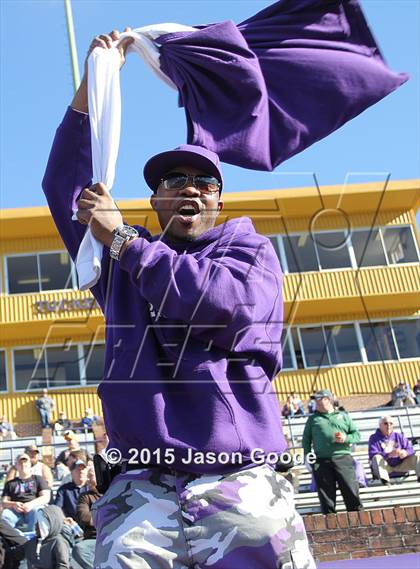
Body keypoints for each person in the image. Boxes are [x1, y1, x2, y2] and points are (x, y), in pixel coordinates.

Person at [41, 28, 315, 569]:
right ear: (155, 198)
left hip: (239, 477)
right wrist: (94, 83)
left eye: (203, 181)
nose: (189, 187)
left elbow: (222, 305)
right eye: (173, 180)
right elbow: (65, 187)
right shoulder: (120, 258)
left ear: (219, 198)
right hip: (142, 485)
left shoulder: (248, 249)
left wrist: (122, 239)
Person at [302, 389, 363, 515]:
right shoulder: (313, 419)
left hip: (343, 458)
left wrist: (346, 438)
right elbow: (306, 440)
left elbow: (357, 435)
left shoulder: (344, 416)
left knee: (351, 491)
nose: (316, 402)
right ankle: (330, 525)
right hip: (321, 460)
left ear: (328, 399)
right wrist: (307, 456)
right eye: (315, 399)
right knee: (326, 497)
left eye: (319, 398)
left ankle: (358, 520)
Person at [1, 453, 50, 532]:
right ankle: (11, 540)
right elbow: (3, 502)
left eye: (25, 462)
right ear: (16, 466)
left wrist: (31, 504)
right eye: (20, 463)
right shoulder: (10, 483)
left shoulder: (38, 479)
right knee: (6, 515)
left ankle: (34, 540)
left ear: (30, 464)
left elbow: (46, 497)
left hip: (34, 508)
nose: (23, 464)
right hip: (15, 511)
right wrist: (14, 504)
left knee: (37, 512)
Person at [368, 415, 420, 485]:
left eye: (391, 423)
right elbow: (372, 454)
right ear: (380, 425)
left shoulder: (399, 436)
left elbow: (411, 449)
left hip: (401, 465)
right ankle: (385, 481)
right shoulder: (373, 438)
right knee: (377, 458)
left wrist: (405, 452)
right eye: (385, 423)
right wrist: (388, 455)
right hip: (386, 468)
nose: (388, 426)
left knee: (418, 455)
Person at [72, 466, 102, 569]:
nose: (87, 480)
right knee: (79, 549)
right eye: (87, 477)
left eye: (90, 476)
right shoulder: (85, 496)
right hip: (94, 538)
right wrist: (107, 516)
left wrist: (94, 515)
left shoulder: (112, 492)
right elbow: (84, 517)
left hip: (113, 535)